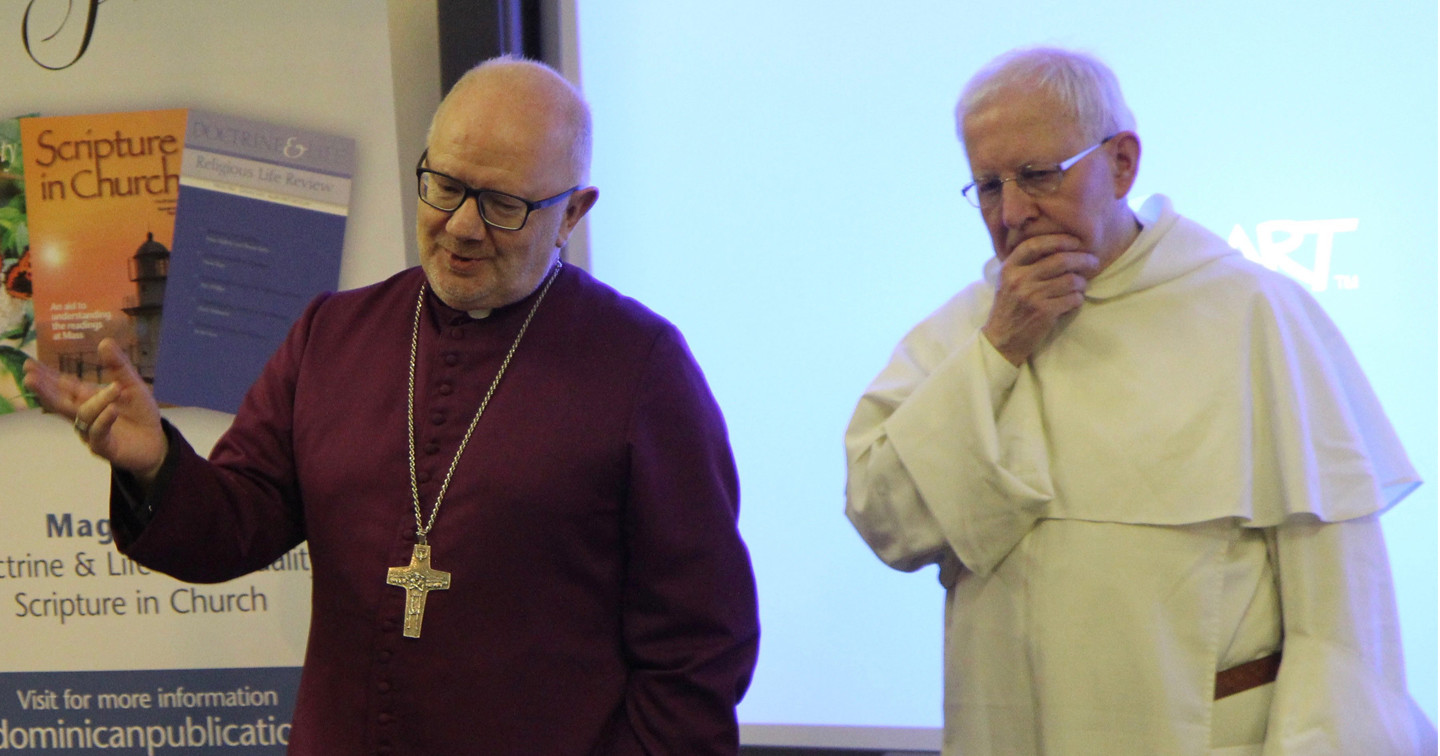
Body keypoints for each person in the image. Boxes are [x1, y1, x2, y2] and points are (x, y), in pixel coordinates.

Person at [24, 56, 760, 755]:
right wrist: (156, 466)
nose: (463, 225)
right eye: (444, 186)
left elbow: (700, 647)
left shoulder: (642, 368)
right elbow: (234, 526)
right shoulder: (333, 333)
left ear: (573, 213)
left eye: (504, 204)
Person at [844, 46, 1434, 756]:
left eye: (1036, 176)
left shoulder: (1254, 313)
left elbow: (1342, 611)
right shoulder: (964, 334)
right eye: (988, 187)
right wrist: (999, 351)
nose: (1013, 213)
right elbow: (887, 521)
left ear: (1122, 162)